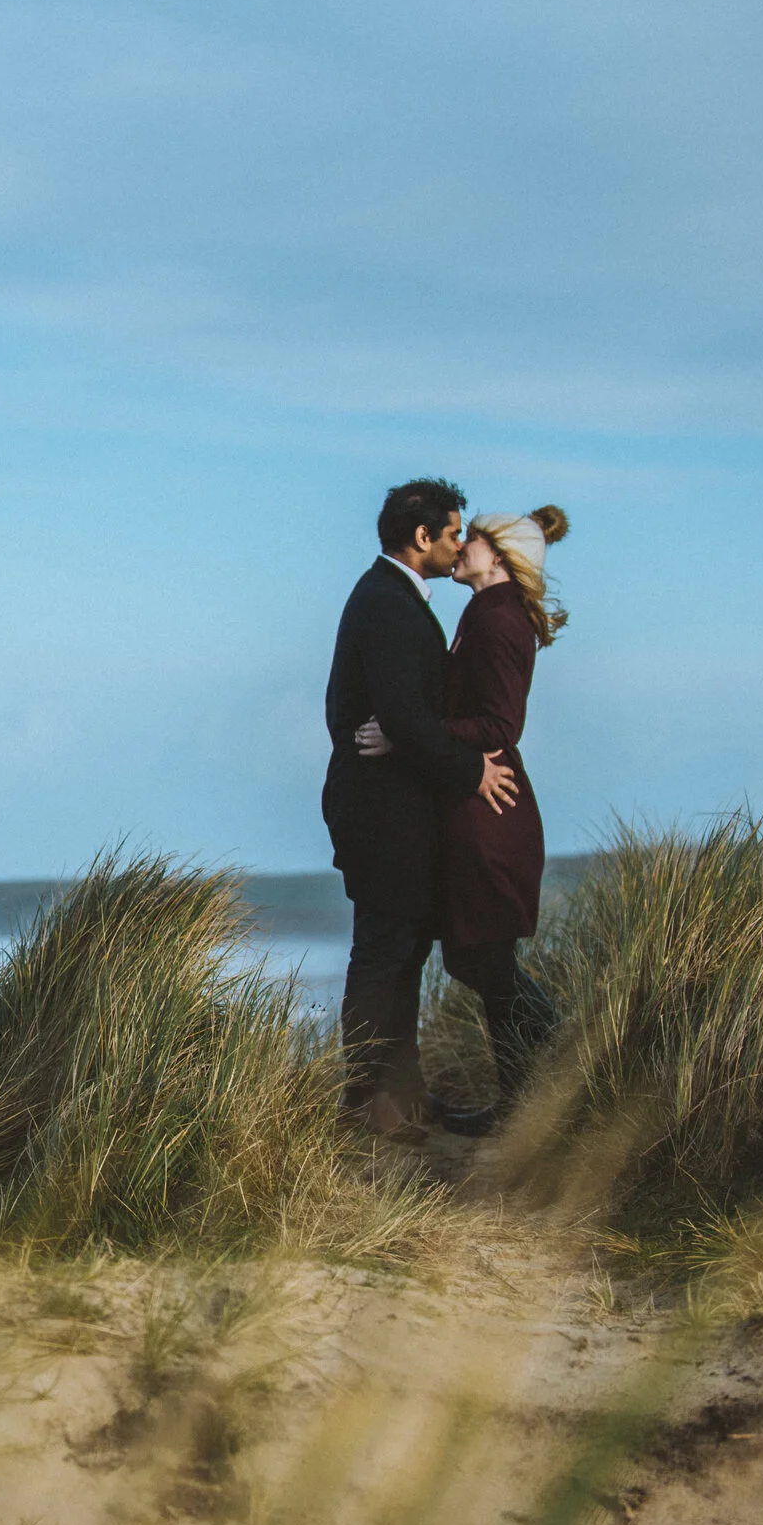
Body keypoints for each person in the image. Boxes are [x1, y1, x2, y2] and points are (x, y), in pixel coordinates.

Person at [356, 505, 569, 1135]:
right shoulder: (483, 612)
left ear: (499, 555)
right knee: (476, 960)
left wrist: (406, 734)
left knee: (484, 961)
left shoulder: (500, 619)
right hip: (475, 807)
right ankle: (534, 1098)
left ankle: (545, 1083)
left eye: (471, 538)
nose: (460, 546)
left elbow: (501, 727)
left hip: (490, 811)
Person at [321, 480, 519, 1143]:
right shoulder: (387, 602)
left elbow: (404, 716)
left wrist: (403, 732)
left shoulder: (391, 597)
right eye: (453, 532)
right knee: (383, 952)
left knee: (402, 952)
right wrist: (472, 769)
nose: (460, 544)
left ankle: (403, 1095)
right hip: (380, 812)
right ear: (422, 537)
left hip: (396, 808)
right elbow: (401, 712)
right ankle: (371, 1101)